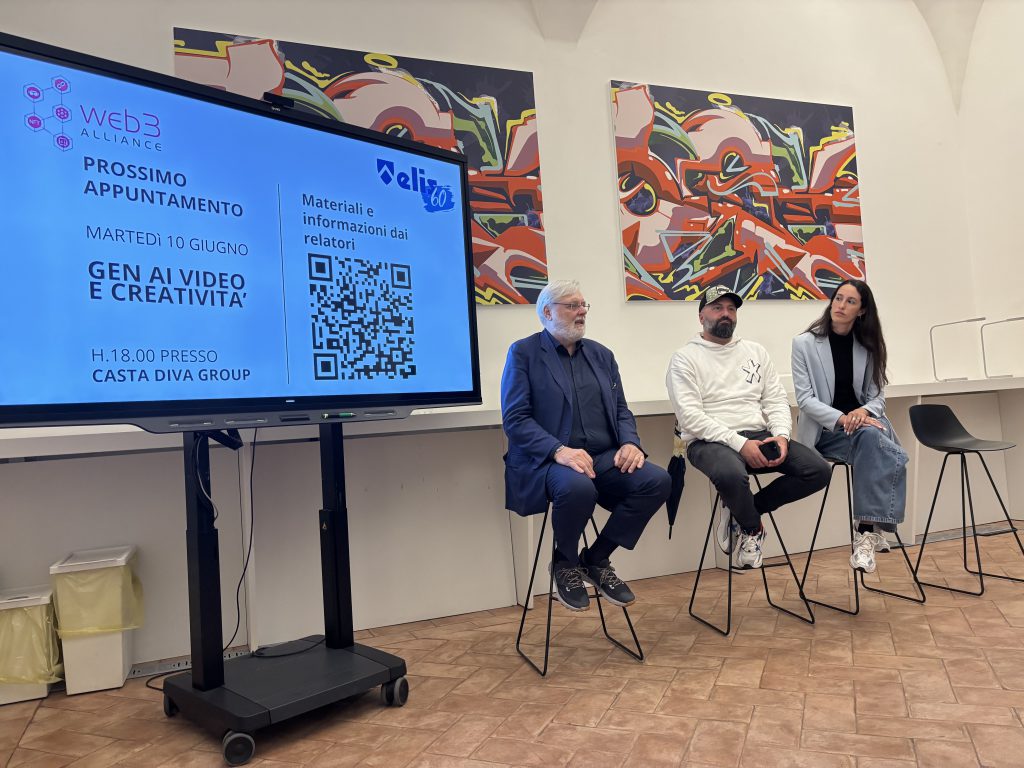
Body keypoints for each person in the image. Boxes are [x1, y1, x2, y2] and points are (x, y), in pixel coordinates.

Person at [501, 280, 671, 611]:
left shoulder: (601, 355)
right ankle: (564, 563)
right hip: (549, 461)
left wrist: (630, 443)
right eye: (572, 306)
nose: (581, 312)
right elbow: (516, 419)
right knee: (578, 487)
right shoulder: (523, 353)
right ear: (547, 312)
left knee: (657, 480)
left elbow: (621, 410)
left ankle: (596, 559)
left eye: (583, 305)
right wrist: (559, 451)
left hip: (602, 457)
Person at [666, 285, 830, 568]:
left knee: (818, 470)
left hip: (758, 434)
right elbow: (691, 417)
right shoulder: (684, 358)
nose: (726, 314)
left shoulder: (755, 351)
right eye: (717, 308)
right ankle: (752, 529)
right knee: (730, 474)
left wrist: (781, 435)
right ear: (701, 316)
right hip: (708, 442)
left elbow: (776, 399)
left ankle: (742, 510)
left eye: (731, 309)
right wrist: (740, 444)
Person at [792, 279, 908, 574]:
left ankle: (865, 533)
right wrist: (844, 418)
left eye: (850, 301)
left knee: (870, 438)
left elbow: (877, 396)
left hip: (863, 427)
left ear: (862, 310)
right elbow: (805, 400)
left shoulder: (868, 346)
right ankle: (873, 529)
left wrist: (861, 411)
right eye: (838, 298)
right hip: (827, 432)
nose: (841, 306)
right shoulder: (804, 344)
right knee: (886, 449)